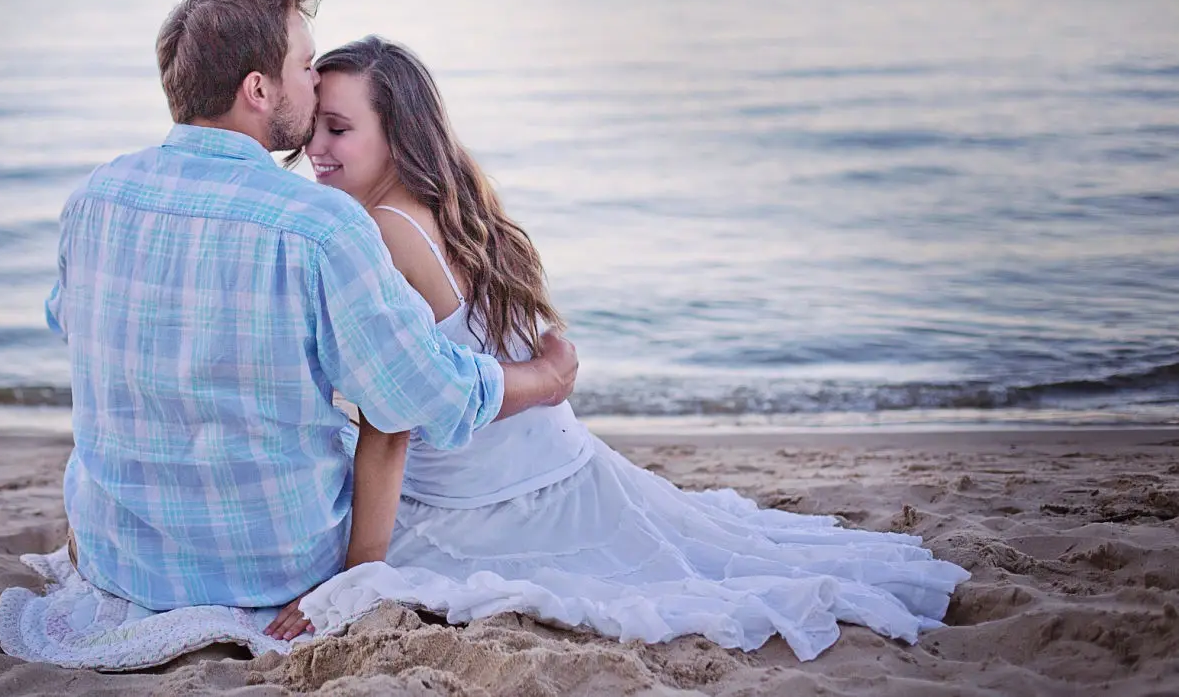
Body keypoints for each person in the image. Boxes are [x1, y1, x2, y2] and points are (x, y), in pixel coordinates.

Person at [294, 36, 970, 661]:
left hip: (482, 502)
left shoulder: (380, 228)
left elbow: (394, 420)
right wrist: (545, 374)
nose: (313, 144)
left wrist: (359, 579)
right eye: (314, 124)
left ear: (398, 133)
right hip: (564, 464)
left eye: (339, 128)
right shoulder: (456, 208)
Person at [43, 0, 580, 641]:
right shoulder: (319, 223)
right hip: (267, 571)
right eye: (303, 64)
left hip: (118, 554)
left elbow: (73, 325)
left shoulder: (94, 195)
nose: (312, 79)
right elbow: (415, 395)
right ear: (258, 89)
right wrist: (545, 379)